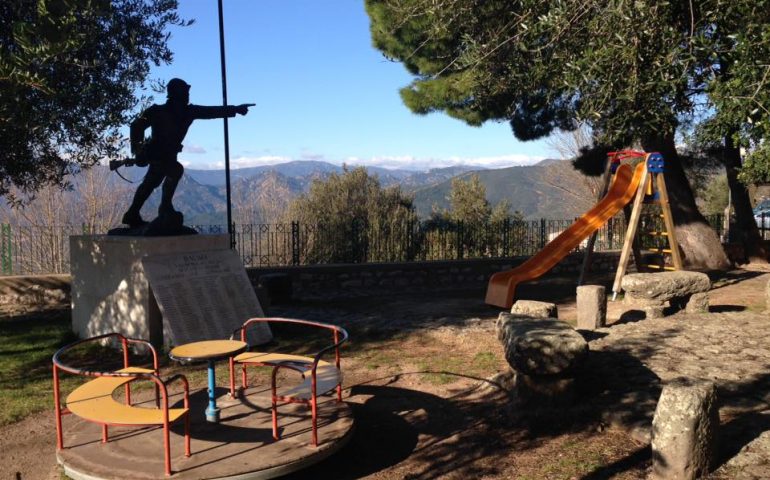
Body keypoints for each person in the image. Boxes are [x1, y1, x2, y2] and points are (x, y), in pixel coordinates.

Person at [121, 78, 252, 227]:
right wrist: (138, 151)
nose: (188, 96)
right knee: (171, 172)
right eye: (185, 93)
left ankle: (136, 212)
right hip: (157, 155)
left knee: (152, 182)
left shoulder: (188, 111)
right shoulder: (157, 111)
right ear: (177, 94)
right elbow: (136, 126)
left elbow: (211, 111)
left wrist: (235, 109)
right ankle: (162, 207)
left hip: (168, 155)